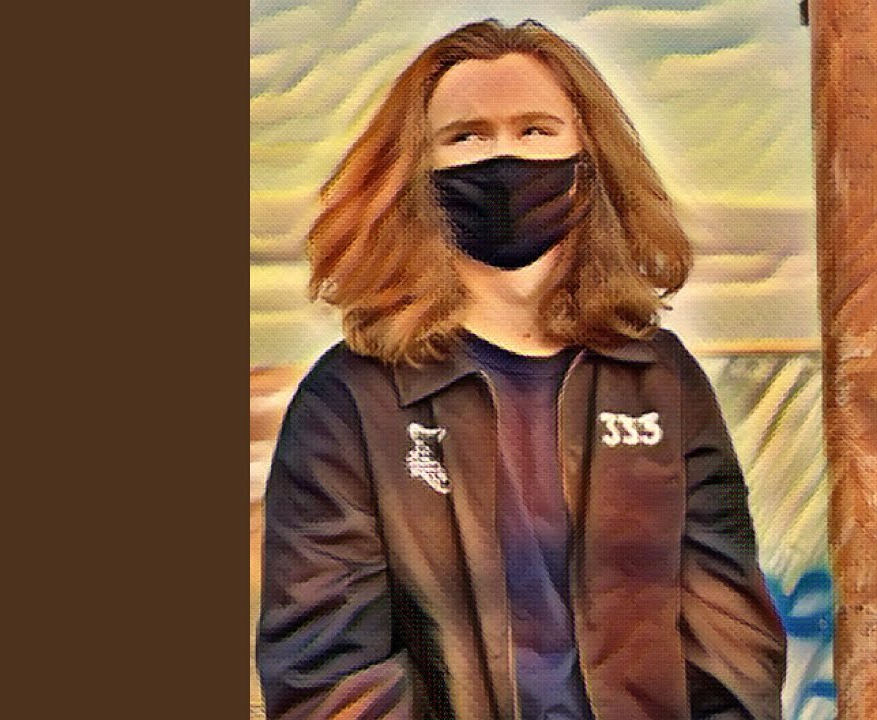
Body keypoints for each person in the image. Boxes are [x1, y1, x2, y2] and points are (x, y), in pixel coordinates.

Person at [256, 18, 787, 720]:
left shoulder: (659, 378)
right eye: (466, 136)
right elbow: (327, 673)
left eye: (535, 130)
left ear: (587, 159)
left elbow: (731, 635)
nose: (503, 156)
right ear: (416, 173)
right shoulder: (351, 399)